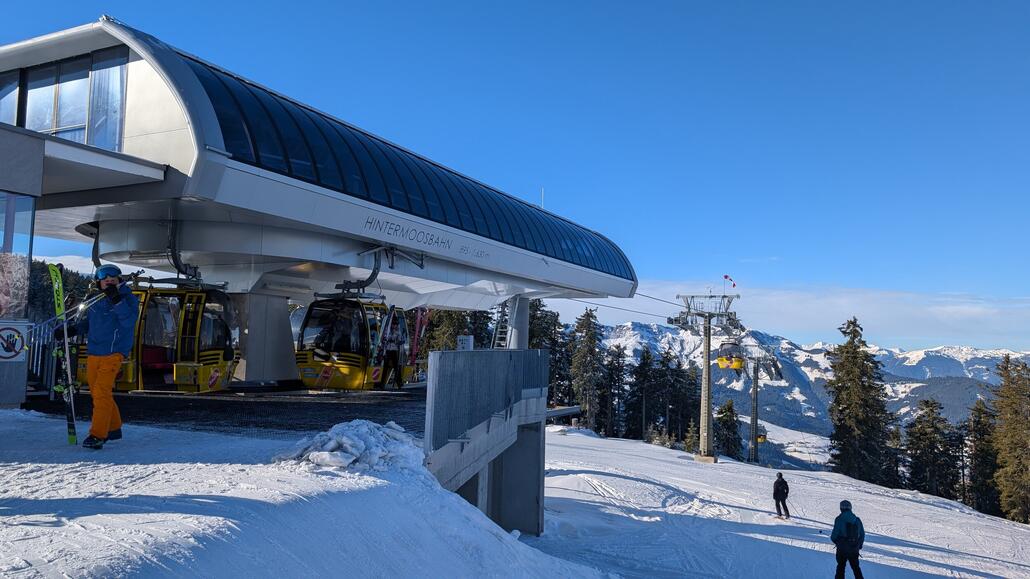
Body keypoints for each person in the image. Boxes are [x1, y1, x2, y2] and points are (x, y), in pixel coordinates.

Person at [55, 264, 139, 450]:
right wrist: (71, 330)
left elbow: (128, 321)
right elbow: (89, 323)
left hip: (113, 353)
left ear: (119, 279)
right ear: (98, 281)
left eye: (112, 276)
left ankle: (98, 435)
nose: (108, 278)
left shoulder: (128, 298)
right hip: (94, 352)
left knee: (101, 393)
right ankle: (114, 427)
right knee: (98, 394)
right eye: (104, 277)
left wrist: (117, 300)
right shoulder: (96, 300)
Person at [830, 499, 866, 579]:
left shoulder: (839, 519)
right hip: (854, 548)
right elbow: (862, 534)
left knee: (841, 567)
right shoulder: (857, 520)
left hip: (842, 548)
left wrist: (836, 541)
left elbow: (834, 535)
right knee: (856, 568)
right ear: (850, 508)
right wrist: (859, 545)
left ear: (841, 508)